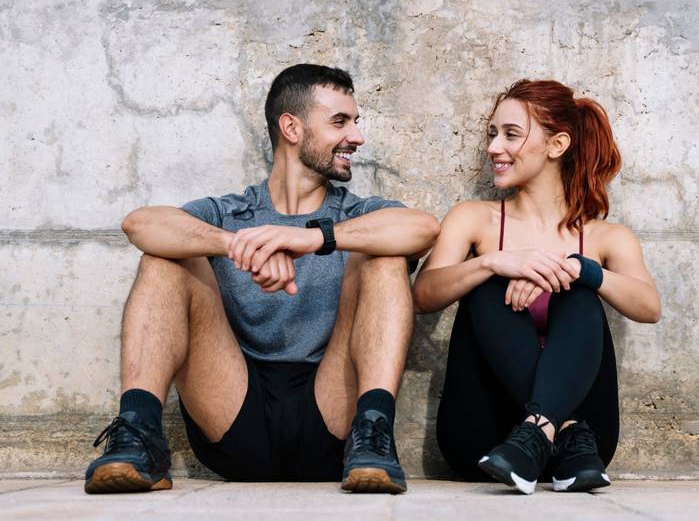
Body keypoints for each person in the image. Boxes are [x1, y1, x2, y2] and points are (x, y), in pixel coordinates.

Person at [84, 64, 440, 494]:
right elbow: (139, 224)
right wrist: (241, 245)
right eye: (340, 122)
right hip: (234, 411)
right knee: (165, 258)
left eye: (355, 123)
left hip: (333, 419)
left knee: (382, 257)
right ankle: (139, 437)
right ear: (291, 127)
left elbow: (422, 230)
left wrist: (311, 238)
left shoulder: (355, 213)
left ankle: (375, 432)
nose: (357, 137)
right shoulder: (231, 212)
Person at [413, 79, 660, 494]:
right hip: (488, 442)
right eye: (492, 134)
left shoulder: (605, 237)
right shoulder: (474, 218)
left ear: (557, 144)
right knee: (487, 285)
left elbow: (649, 307)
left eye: (511, 135)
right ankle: (560, 428)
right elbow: (423, 295)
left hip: (583, 452)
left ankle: (541, 431)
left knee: (580, 288)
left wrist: (582, 270)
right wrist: (493, 262)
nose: (494, 147)